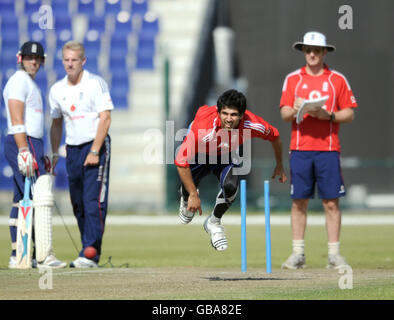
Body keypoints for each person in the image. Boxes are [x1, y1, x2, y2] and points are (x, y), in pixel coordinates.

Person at [279, 31, 358, 269]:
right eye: (307, 50)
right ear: (303, 52)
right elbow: (283, 114)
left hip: (328, 149)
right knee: (298, 201)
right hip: (301, 148)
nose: (311, 54)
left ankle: (334, 255)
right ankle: (298, 254)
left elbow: (350, 113)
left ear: (325, 52)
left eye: (316, 50)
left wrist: (329, 115)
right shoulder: (293, 78)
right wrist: (296, 109)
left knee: (331, 202)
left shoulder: (337, 79)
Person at [175, 89, 287, 251]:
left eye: (234, 115)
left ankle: (214, 222)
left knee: (231, 186)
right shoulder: (203, 127)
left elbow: (275, 137)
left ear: (242, 115)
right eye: (225, 114)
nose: (228, 119)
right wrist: (192, 194)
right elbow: (181, 161)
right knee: (188, 184)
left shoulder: (253, 124)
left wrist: (279, 165)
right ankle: (185, 198)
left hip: (226, 153)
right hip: (200, 152)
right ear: (218, 112)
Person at [49, 41, 113, 268]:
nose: (69, 64)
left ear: (83, 61)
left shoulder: (95, 83)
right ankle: (88, 249)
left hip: (95, 145)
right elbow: (56, 123)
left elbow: (105, 117)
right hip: (72, 149)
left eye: (74, 60)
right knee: (77, 202)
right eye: (66, 60)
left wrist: (95, 150)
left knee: (92, 200)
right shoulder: (57, 89)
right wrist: (55, 153)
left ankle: (90, 253)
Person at [3, 41, 66, 268]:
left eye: (38, 59)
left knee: (22, 197)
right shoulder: (19, 81)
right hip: (23, 141)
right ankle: (43, 254)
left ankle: (19, 254)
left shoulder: (29, 83)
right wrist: (23, 150)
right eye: (30, 58)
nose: (34, 62)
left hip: (32, 142)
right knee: (39, 196)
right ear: (20, 58)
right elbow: (16, 117)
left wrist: (41, 150)